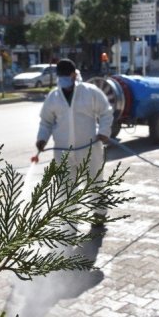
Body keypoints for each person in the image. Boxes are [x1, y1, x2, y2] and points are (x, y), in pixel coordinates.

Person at [35, 58, 113, 226]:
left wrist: (104, 132)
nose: (63, 80)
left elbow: (106, 112)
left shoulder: (90, 92)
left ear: (73, 75)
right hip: (63, 151)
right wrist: (42, 138)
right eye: (61, 76)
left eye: (66, 76)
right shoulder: (54, 97)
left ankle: (99, 214)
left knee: (94, 182)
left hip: (89, 149)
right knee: (65, 187)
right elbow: (46, 121)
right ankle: (69, 220)